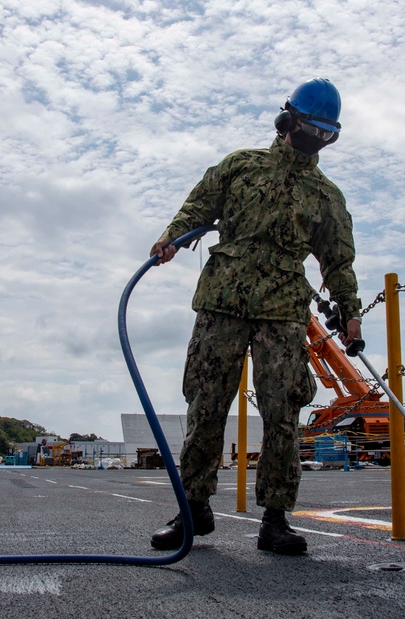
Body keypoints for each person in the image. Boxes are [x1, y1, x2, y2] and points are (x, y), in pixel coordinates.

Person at [148, 78, 363, 556]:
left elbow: (339, 262)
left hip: (283, 311)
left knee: (283, 412)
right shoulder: (240, 166)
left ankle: (275, 520)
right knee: (205, 406)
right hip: (223, 301)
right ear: (287, 120)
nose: (316, 142)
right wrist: (172, 238)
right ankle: (193, 510)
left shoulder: (327, 196)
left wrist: (351, 314)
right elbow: (197, 207)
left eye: (327, 136)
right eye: (310, 130)